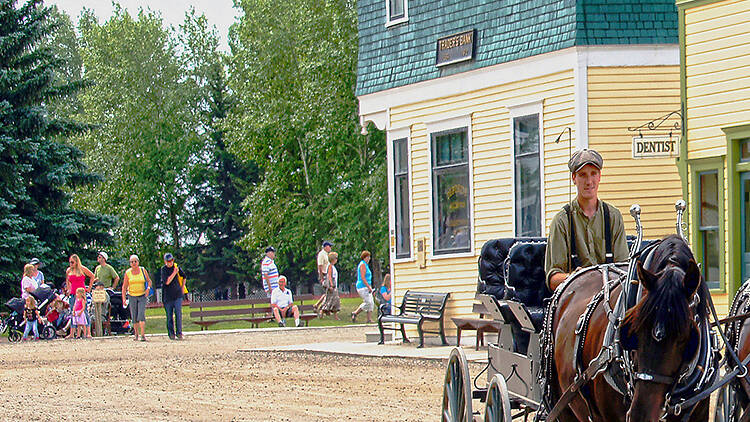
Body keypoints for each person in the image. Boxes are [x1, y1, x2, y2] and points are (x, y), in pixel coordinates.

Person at [544, 149, 630, 291]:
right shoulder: (561, 221)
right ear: (574, 178)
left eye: (593, 174)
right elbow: (553, 279)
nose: (589, 181)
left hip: (611, 293)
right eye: (583, 175)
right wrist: (575, 278)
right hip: (575, 295)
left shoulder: (614, 217)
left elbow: (624, 269)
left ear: (600, 176)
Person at [121, 254, 153, 342]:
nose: (134, 263)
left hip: (142, 295)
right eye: (132, 262)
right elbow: (124, 286)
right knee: (134, 316)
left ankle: (143, 335)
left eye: (135, 261)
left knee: (141, 314)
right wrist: (124, 298)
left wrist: (148, 289)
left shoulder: (143, 270)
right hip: (132, 296)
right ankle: (136, 334)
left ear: (138, 262)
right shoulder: (128, 273)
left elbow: (149, 281)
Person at [64, 254, 94, 339]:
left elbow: (92, 276)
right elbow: (68, 280)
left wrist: (89, 288)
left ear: (77, 262)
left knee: (84, 312)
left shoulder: (82, 269)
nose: (71, 264)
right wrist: (68, 289)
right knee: (73, 312)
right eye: (70, 262)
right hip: (73, 293)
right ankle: (72, 333)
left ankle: (88, 332)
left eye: (72, 262)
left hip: (81, 293)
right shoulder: (69, 270)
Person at [160, 253, 186, 340]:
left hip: (177, 294)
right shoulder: (163, 270)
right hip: (168, 296)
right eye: (168, 261)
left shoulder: (176, 267)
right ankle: (171, 333)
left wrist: (182, 288)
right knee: (169, 316)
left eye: (171, 261)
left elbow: (184, 276)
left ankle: (179, 333)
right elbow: (167, 282)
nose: (170, 263)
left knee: (178, 314)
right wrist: (174, 273)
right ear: (165, 262)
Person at [351, 250, 374, 323]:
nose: (369, 258)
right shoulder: (362, 265)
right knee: (367, 302)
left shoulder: (366, 265)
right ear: (364, 257)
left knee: (371, 303)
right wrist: (368, 287)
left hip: (367, 286)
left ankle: (369, 319)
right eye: (368, 257)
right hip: (362, 286)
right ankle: (355, 312)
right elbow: (363, 277)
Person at [319, 252, 341, 318]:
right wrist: (331, 285)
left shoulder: (333, 266)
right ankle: (322, 311)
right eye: (336, 258)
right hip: (332, 285)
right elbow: (329, 276)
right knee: (330, 300)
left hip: (334, 285)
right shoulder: (330, 266)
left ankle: (335, 315)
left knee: (335, 300)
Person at [314, 241, 333, 313]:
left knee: (327, 293)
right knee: (327, 292)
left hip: (327, 274)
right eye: (329, 246)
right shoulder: (321, 254)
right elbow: (320, 266)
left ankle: (319, 305)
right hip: (323, 274)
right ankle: (319, 306)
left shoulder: (326, 254)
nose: (330, 248)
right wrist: (321, 278)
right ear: (325, 247)